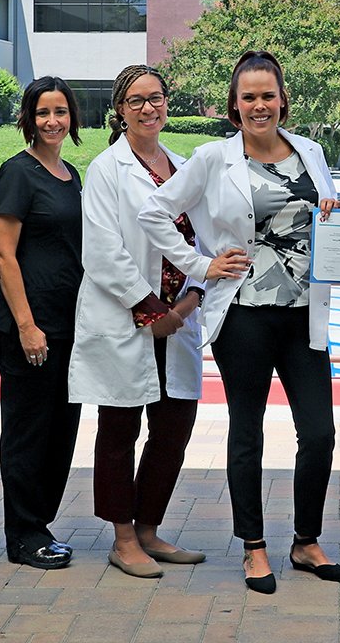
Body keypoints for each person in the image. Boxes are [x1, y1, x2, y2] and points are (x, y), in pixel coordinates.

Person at [139, 50, 340, 593]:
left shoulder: (311, 152)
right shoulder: (212, 158)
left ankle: (305, 541)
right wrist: (200, 265)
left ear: (283, 99)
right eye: (249, 97)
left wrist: (335, 216)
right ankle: (253, 547)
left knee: (320, 433)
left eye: (268, 95)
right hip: (243, 315)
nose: (260, 105)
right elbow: (154, 212)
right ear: (235, 105)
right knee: (247, 432)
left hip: (305, 313)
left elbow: (322, 221)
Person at [69, 64, 214, 577]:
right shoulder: (107, 168)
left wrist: (190, 300)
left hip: (179, 320)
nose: (148, 108)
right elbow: (104, 251)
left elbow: (206, 238)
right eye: (136, 100)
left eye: (156, 97)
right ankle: (123, 536)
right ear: (120, 109)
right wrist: (150, 309)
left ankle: (150, 528)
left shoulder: (184, 165)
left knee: (174, 428)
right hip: (128, 320)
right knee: (119, 429)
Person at [0, 76, 86, 571]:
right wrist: (26, 325)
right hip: (31, 326)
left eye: (61, 112)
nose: (53, 121)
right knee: (28, 432)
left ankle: (40, 524)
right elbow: (3, 253)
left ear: (72, 117)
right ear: (27, 118)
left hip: (71, 326)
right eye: (43, 112)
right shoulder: (17, 173)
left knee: (60, 432)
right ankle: (22, 534)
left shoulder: (71, 173)